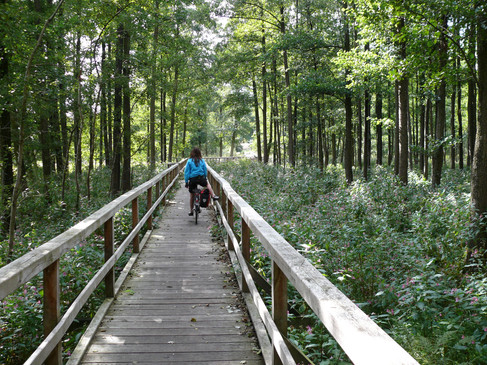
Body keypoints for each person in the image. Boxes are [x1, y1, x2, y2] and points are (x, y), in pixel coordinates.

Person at [184, 147, 219, 216]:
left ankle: (191, 211)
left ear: (192, 153)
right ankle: (213, 195)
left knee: (192, 195)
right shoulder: (202, 161)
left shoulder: (189, 161)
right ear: (199, 153)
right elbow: (205, 170)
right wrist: (205, 177)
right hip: (201, 178)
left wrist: (186, 181)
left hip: (192, 179)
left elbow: (186, 172)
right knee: (207, 184)